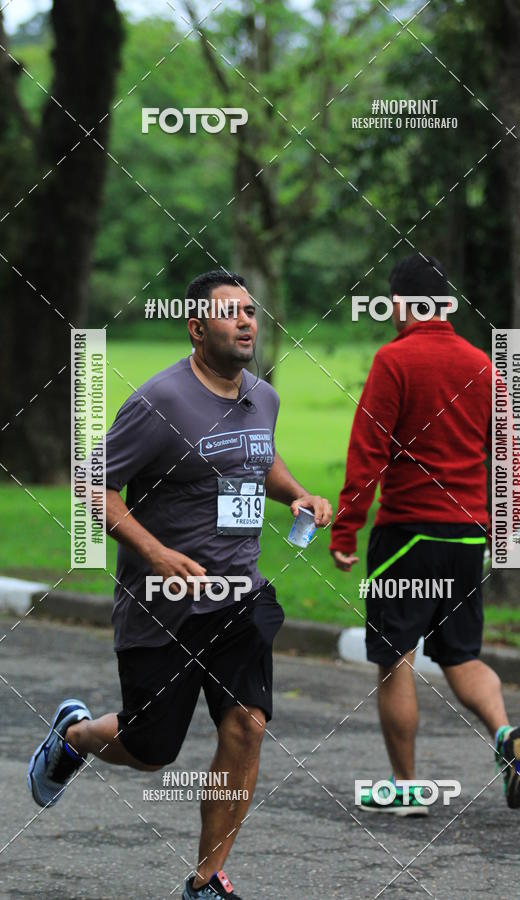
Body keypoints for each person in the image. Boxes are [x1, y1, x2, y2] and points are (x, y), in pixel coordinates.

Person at [28, 269, 332, 899]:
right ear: (196, 329)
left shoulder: (261, 396)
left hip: (240, 596)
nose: (247, 321)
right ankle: (75, 737)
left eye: (251, 311)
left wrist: (297, 493)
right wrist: (156, 552)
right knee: (151, 748)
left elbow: (259, 454)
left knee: (247, 725)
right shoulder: (160, 402)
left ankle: (206, 881)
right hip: (162, 605)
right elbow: (92, 485)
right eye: (231, 313)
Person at [329, 253, 520, 816]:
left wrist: (345, 530)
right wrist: (501, 530)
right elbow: (506, 456)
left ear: (401, 304)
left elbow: (367, 454)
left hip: (408, 537)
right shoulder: (483, 366)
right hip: (467, 538)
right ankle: (505, 733)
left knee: (396, 659)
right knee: (462, 655)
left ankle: (406, 788)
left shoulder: (395, 361)